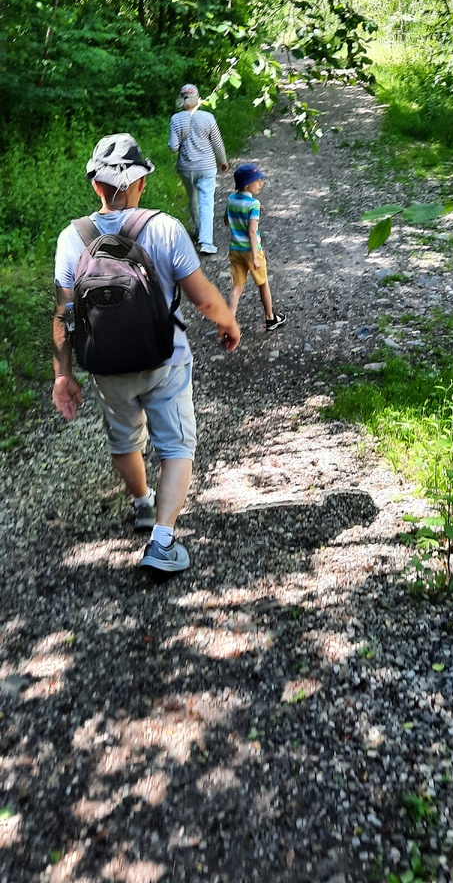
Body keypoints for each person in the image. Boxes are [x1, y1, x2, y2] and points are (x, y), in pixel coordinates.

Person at [52, 133, 240, 574]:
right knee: (176, 446)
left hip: (106, 367)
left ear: (95, 185)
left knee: (124, 440)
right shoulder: (165, 228)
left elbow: (63, 313)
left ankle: (142, 503)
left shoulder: (71, 238)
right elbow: (202, 297)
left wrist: (63, 373)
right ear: (140, 183)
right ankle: (162, 541)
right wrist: (228, 322)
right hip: (164, 360)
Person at [226, 162, 286, 333]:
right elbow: (252, 232)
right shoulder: (253, 204)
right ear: (247, 185)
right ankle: (270, 318)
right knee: (263, 284)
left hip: (235, 250)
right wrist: (254, 257)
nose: (261, 183)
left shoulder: (231, 199)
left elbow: (226, 221)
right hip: (252, 251)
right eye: (257, 181)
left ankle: (229, 324)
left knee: (237, 287)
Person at [168, 83, 228, 255]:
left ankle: (199, 229)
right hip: (206, 166)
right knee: (206, 202)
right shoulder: (207, 117)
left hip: (186, 167)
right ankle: (206, 242)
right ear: (197, 99)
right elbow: (217, 143)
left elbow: (173, 146)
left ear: (181, 99)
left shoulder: (176, 119)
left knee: (193, 199)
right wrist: (223, 161)